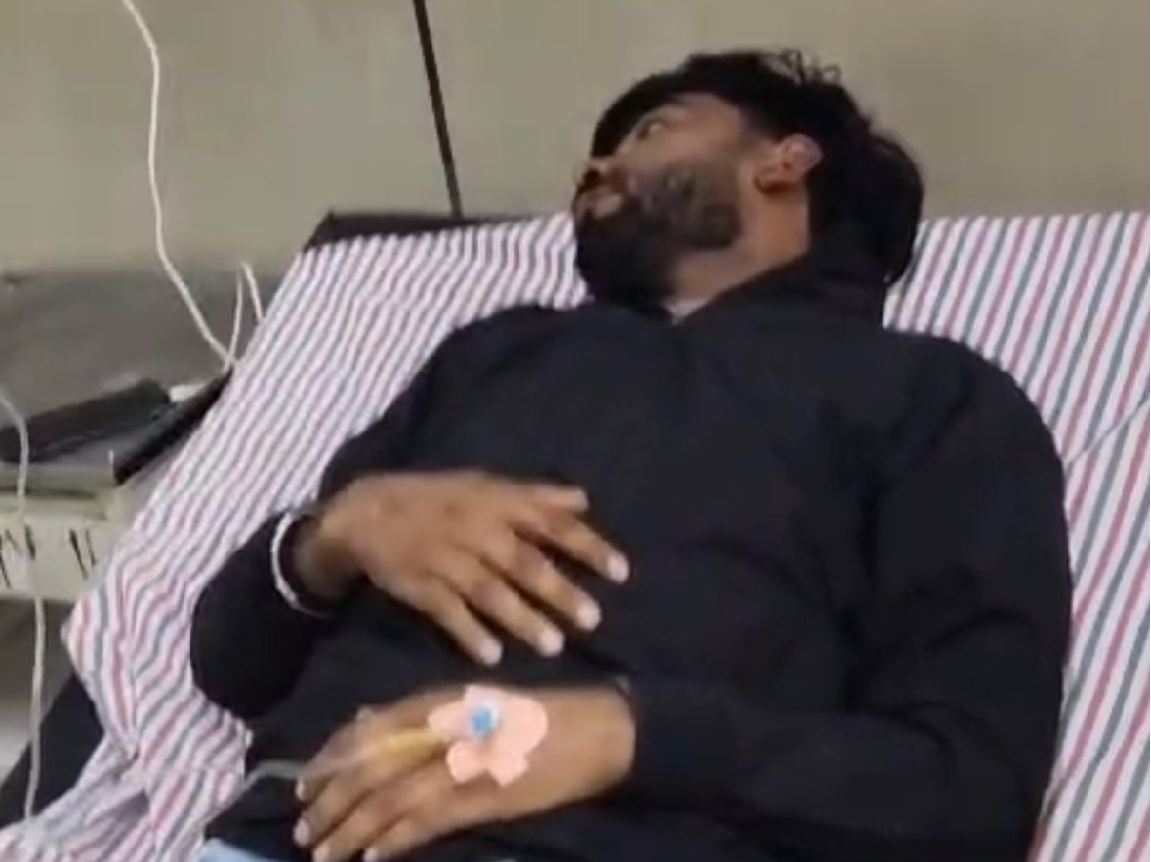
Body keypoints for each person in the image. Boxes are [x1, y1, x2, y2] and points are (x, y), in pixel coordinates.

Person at [189, 50, 1071, 862]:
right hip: (289, 836)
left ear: (785, 161)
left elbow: (970, 792)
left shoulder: (932, 398)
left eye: (650, 130)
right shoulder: (498, 352)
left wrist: (628, 737)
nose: (592, 170)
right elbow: (231, 664)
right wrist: (334, 535)